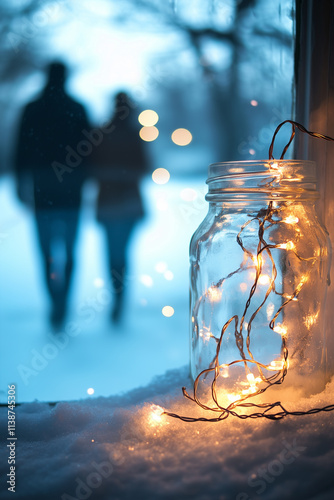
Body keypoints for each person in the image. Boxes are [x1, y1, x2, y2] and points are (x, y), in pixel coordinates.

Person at [15, 62, 90, 328]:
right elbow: (88, 150)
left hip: (42, 191)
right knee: (69, 252)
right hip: (70, 191)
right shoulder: (77, 108)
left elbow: (20, 150)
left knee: (46, 251)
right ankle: (62, 302)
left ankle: (55, 302)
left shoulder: (32, 109)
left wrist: (20, 186)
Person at [93, 92, 147, 323]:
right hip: (128, 203)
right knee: (121, 254)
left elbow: (91, 166)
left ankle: (117, 298)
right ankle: (119, 298)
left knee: (113, 254)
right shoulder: (134, 134)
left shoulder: (102, 133)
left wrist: (110, 175)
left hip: (109, 203)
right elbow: (144, 166)